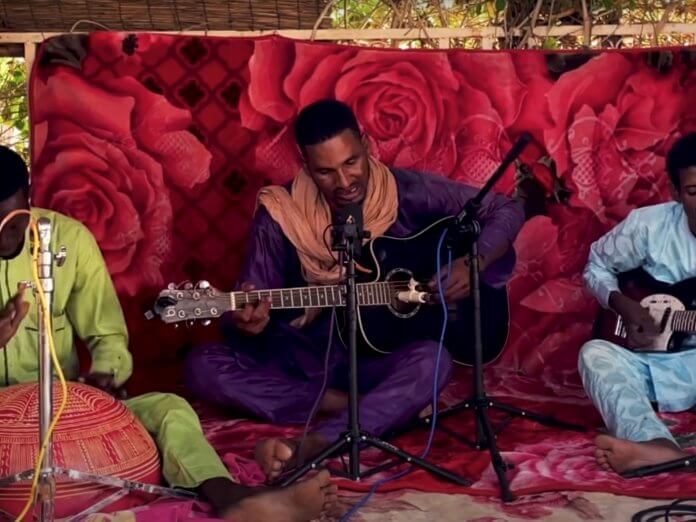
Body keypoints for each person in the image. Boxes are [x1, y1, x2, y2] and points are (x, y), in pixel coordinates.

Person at [184, 99, 525, 481]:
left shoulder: (409, 192)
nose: (344, 183)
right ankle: (358, 408)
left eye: (351, 163)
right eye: (326, 172)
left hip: (377, 362)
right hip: (305, 360)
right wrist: (247, 319)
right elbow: (251, 302)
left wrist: (472, 263)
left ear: (365, 144)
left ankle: (317, 442)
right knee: (202, 367)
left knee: (434, 362)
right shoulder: (281, 214)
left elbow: (505, 209)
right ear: (305, 164)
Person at [0, 146, 337, 522]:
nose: (4, 240)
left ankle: (233, 499)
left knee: (170, 409)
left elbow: (108, 336)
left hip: (66, 410)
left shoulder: (68, 240)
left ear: (29, 201)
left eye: (13, 225)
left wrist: (105, 376)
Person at [579, 132, 696, 474]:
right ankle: (654, 445)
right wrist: (621, 304)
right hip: (651, 364)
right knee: (594, 355)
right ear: (675, 194)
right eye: (694, 192)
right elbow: (596, 265)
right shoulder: (648, 228)